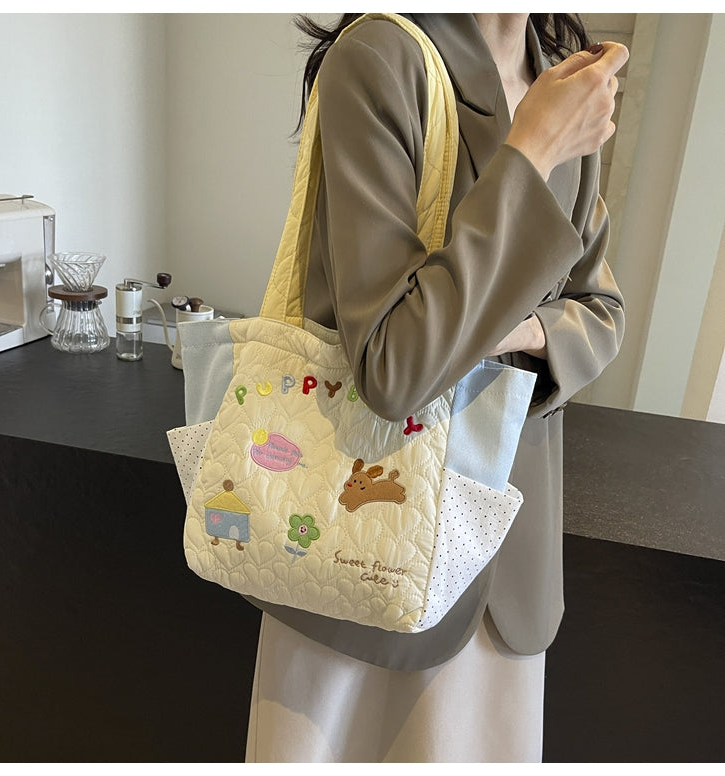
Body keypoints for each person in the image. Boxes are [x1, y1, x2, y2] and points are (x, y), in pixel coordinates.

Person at [245, 12, 627, 762]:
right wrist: (532, 150)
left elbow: (601, 310)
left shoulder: (561, 76)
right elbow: (394, 366)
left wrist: (523, 330)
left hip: (503, 567)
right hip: (356, 560)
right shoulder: (380, 57)